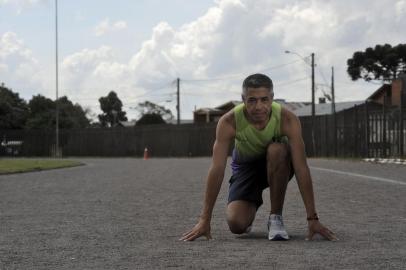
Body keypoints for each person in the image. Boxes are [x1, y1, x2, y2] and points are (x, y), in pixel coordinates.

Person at [180, 73, 337, 241]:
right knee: (236, 225)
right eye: (252, 100)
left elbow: (301, 167)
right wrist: (204, 220)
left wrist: (312, 219)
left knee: (277, 150)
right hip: (246, 169)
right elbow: (217, 169)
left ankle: (275, 218)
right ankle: (250, 207)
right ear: (243, 99)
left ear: (272, 98)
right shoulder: (229, 122)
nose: (258, 106)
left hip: (279, 164)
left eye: (264, 99)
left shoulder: (287, 119)